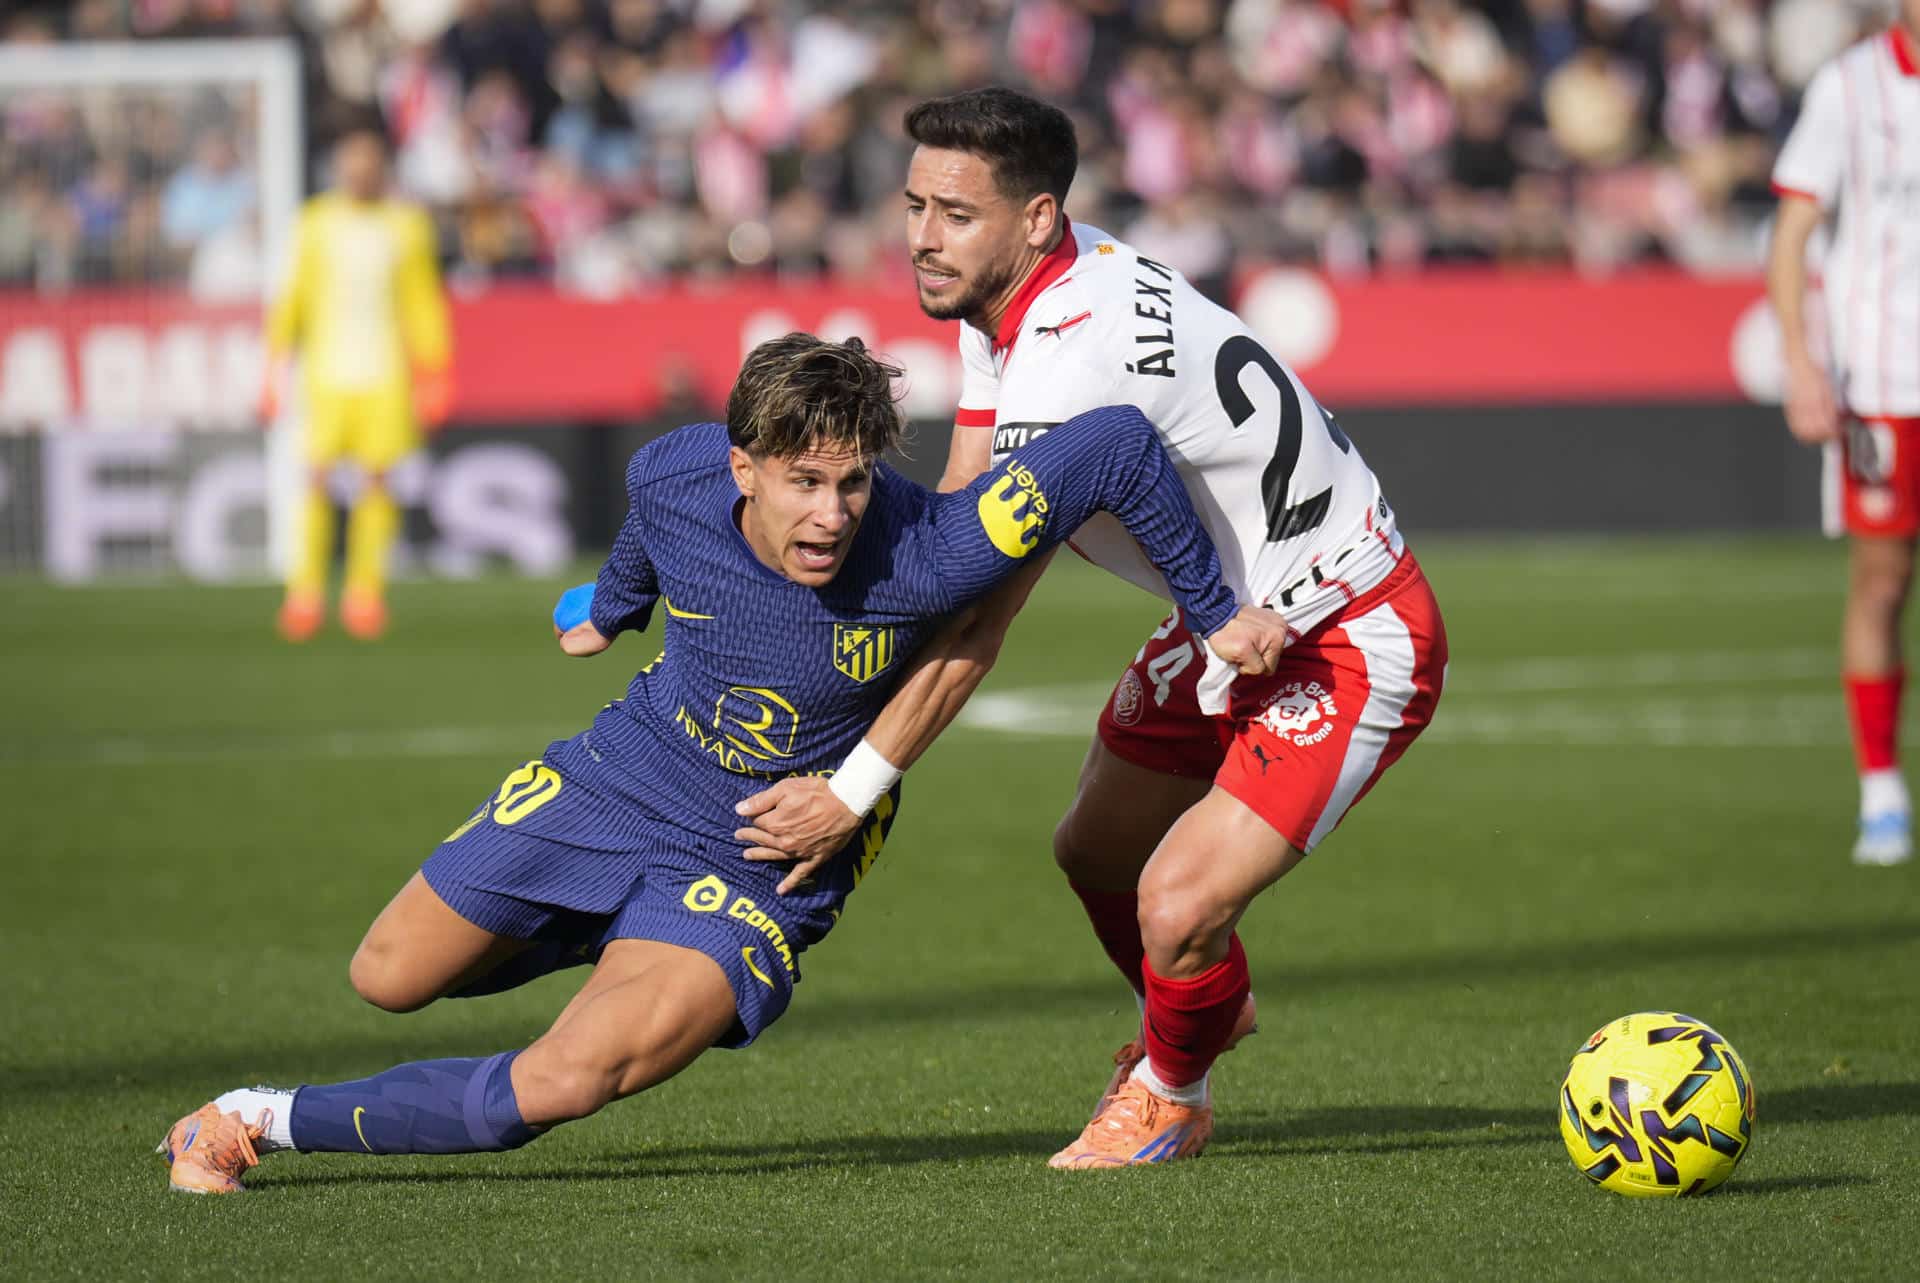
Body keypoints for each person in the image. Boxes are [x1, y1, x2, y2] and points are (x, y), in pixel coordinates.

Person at [156, 332, 1290, 1195]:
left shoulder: (933, 547)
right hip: (628, 770)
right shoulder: (673, 472)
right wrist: (610, 606)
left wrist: (1214, 610)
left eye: (853, 482)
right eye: (804, 481)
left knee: (556, 1083)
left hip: (763, 852)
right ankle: (620, 930)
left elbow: (1120, 446)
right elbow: (649, 532)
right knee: (388, 972)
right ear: (743, 467)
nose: (835, 513)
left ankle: (250, 1118)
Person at [732, 88, 1448, 1168]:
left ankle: (1173, 1086)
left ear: (1035, 218)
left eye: (955, 214)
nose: (922, 236)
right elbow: (960, 507)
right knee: (1097, 848)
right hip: (1228, 614)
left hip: (1346, 629)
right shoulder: (1021, 291)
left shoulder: (1067, 364)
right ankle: (1206, 1008)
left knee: (1175, 898)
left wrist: (852, 787)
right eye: (916, 202)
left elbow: (983, 607)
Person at [1768, 1, 1920, 867]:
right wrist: (1802, 359)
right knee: (1884, 579)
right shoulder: (1851, 88)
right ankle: (1883, 791)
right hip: (1885, 382)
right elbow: (1793, 234)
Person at [263, 123, 453, 643]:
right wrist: (275, 364)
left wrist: (435, 371)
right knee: (317, 480)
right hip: (326, 374)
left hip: (385, 376)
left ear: (382, 168)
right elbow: (293, 298)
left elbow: (422, 302)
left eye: (370, 161)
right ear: (340, 167)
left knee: (376, 482)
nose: (361, 171)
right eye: (353, 161)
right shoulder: (316, 222)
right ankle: (304, 594)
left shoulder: (406, 225)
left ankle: (364, 594)